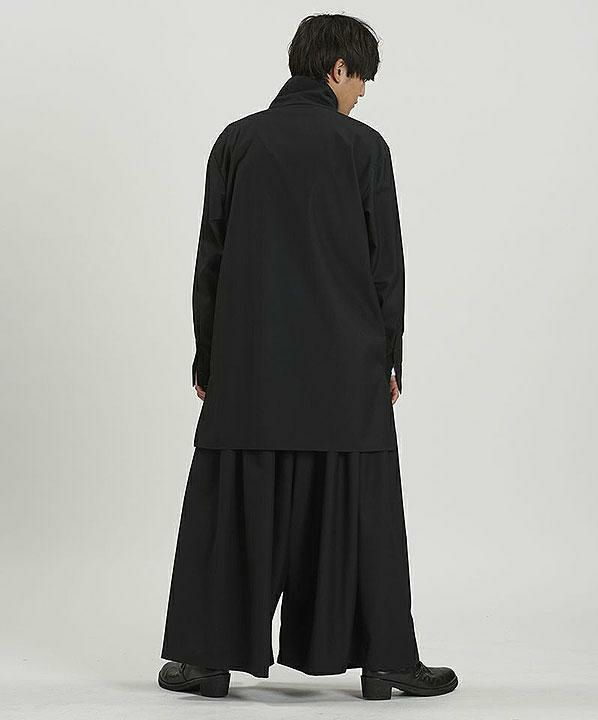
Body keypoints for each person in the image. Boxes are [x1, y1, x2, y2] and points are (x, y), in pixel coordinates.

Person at [158, 13, 459, 700]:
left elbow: (211, 260)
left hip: (250, 367)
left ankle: (206, 662)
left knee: (234, 501)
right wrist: (390, 358)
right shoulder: (364, 148)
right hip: (346, 367)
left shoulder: (237, 141)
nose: (362, 94)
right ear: (337, 69)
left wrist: (209, 359)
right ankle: (385, 662)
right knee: (363, 508)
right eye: (361, 79)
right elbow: (387, 266)